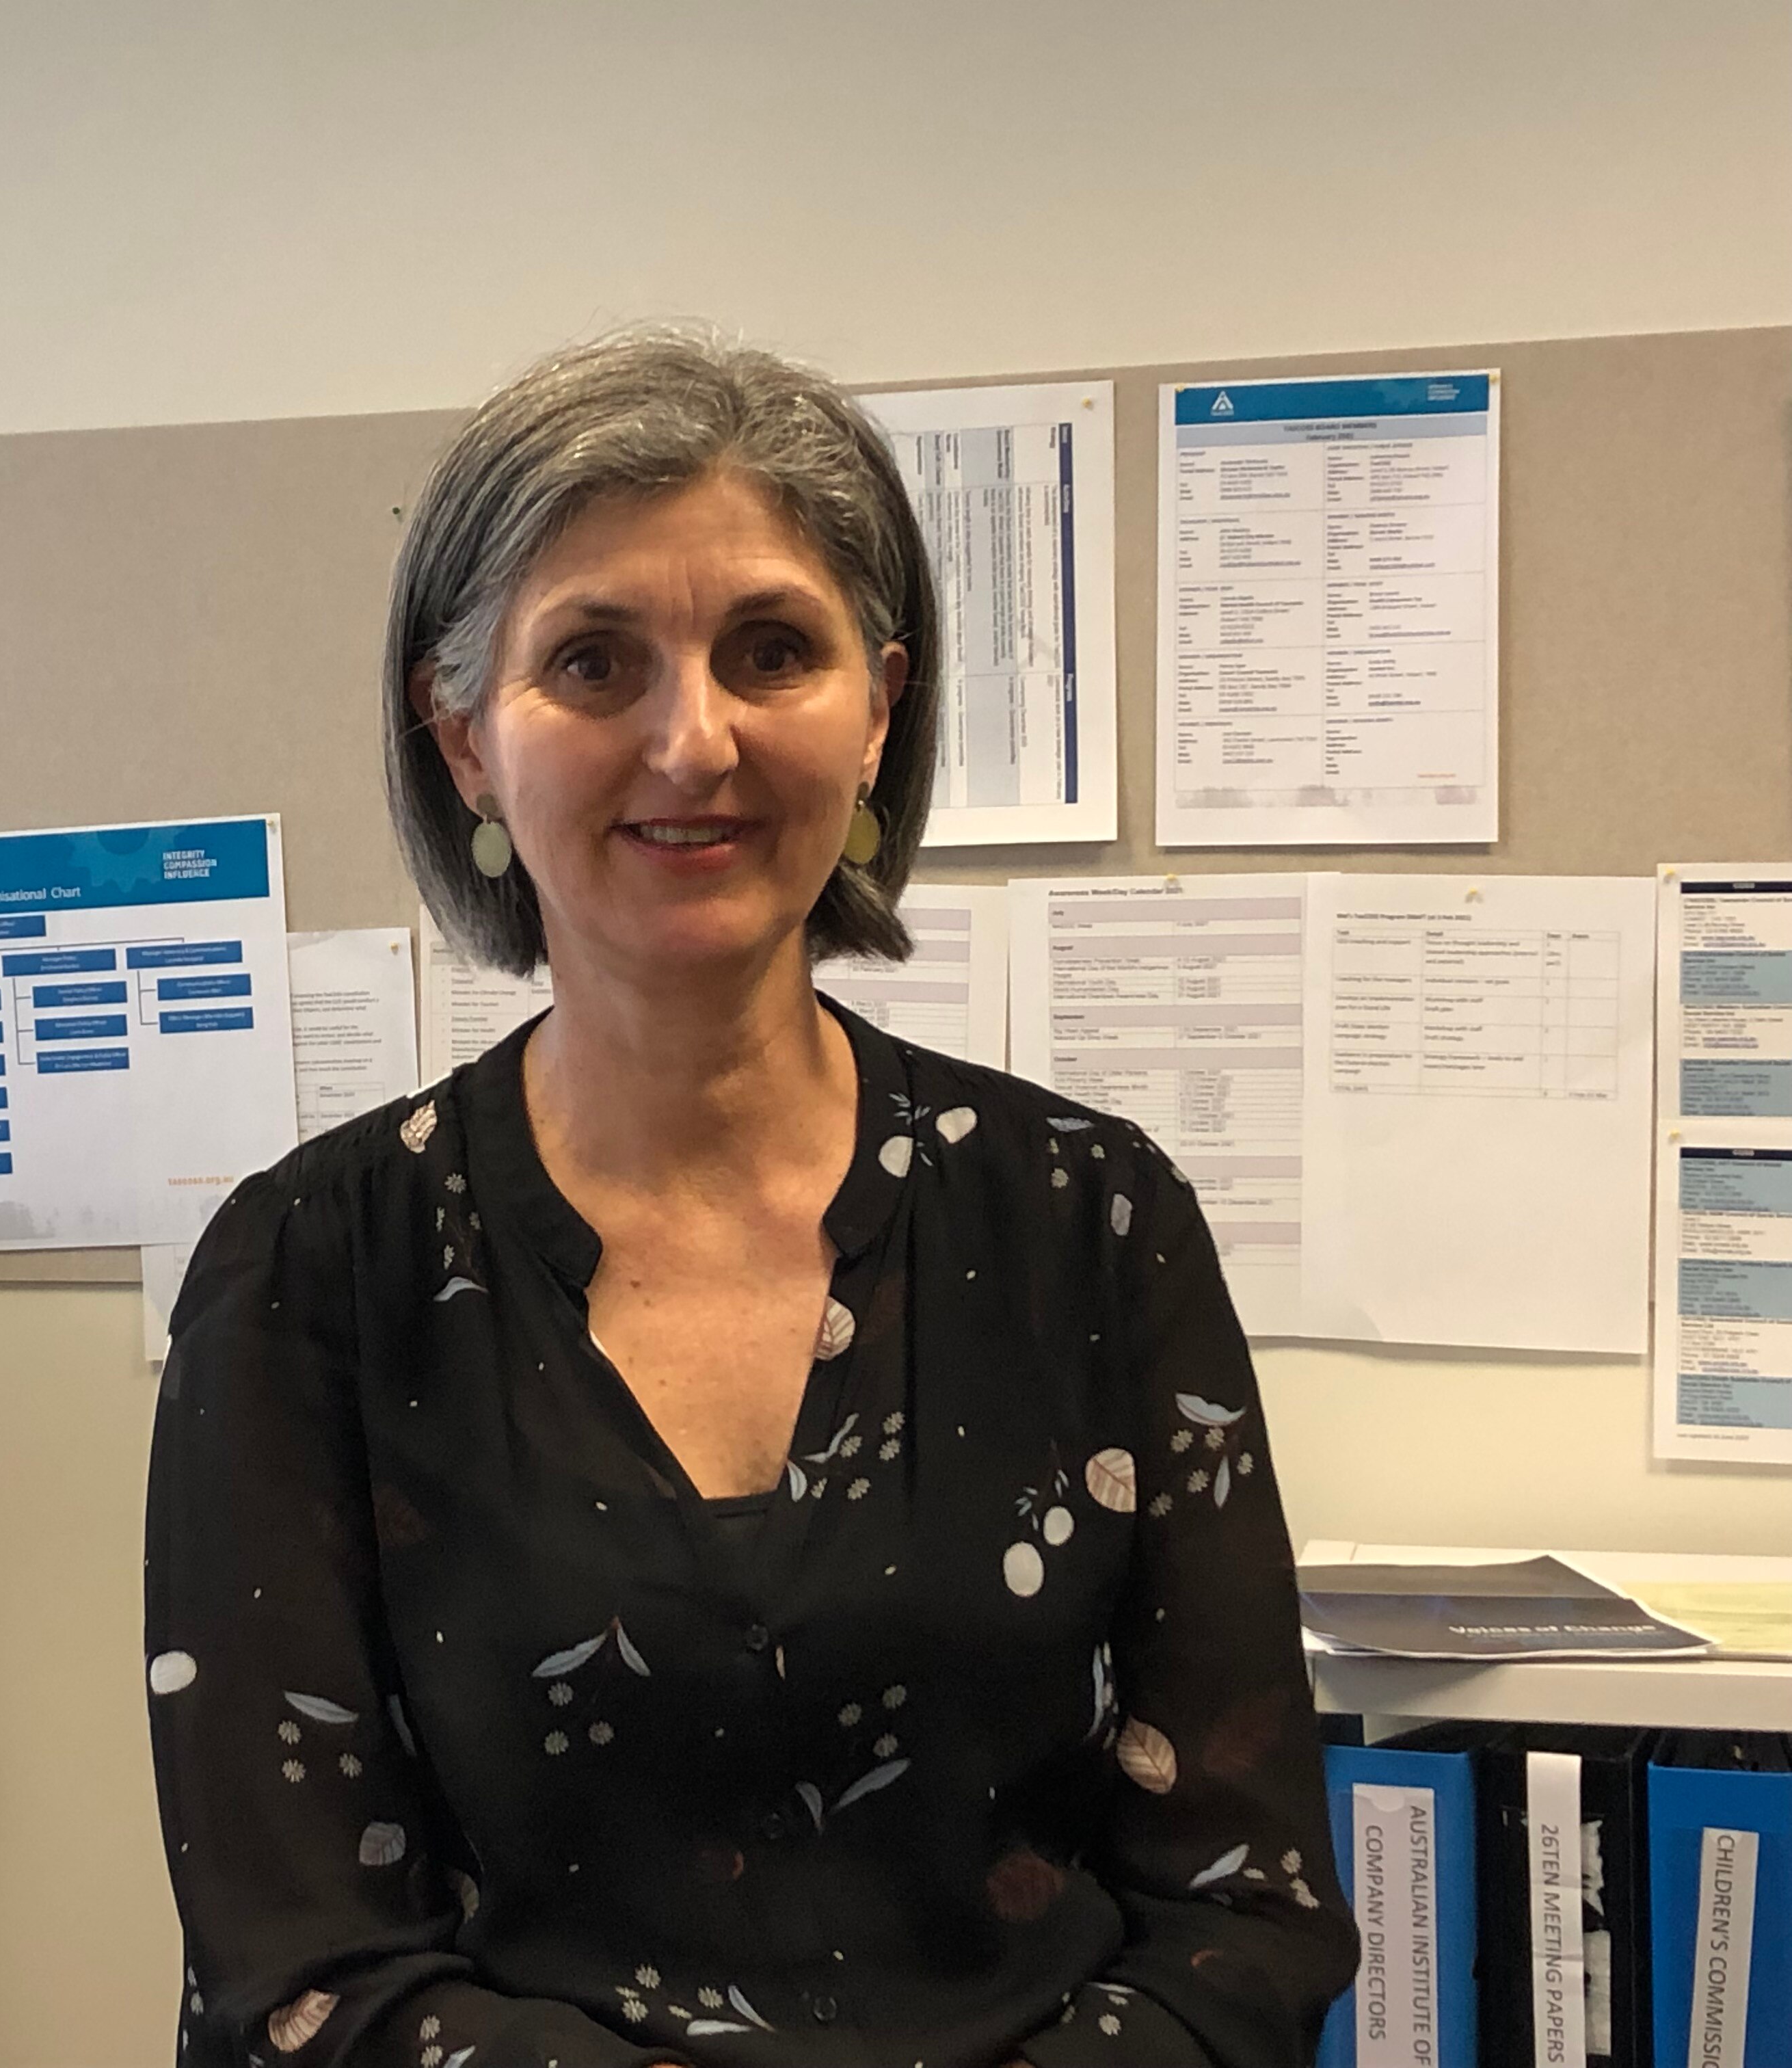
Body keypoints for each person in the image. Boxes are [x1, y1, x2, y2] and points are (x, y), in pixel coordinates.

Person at [144, 330, 1355, 2068]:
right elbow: (301, 1977)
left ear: (878, 709)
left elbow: (1247, 1918)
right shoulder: (310, 1277)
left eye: (770, 651)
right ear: (466, 736)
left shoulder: (1092, 1224)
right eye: (594, 662)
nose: (692, 739)